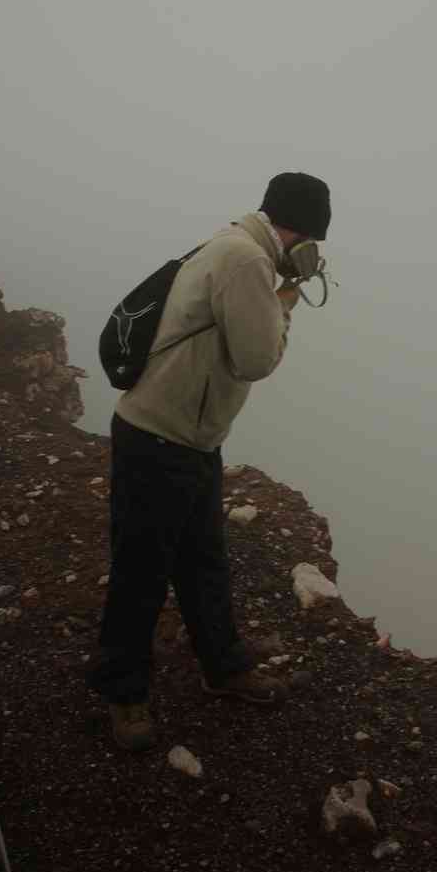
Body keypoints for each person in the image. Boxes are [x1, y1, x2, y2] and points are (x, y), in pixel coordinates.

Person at [86, 172, 332, 752]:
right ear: (301, 233)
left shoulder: (233, 245)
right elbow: (256, 358)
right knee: (142, 571)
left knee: (202, 560)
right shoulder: (247, 261)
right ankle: (123, 693)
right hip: (162, 437)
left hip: (185, 437)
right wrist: (288, 301)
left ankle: (225, 667)